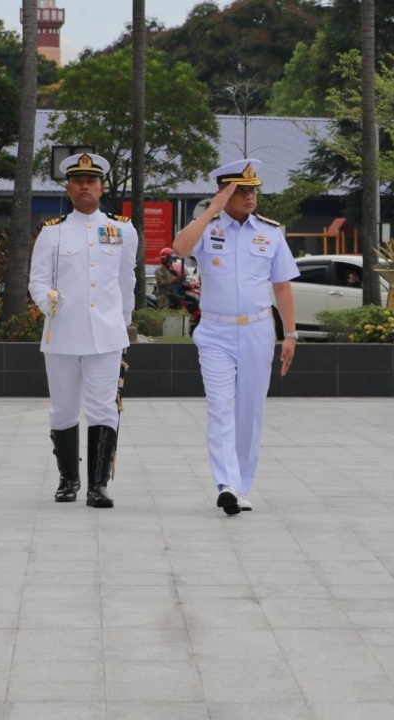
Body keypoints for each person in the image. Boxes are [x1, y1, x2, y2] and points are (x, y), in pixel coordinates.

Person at [171, 159, 299, 515]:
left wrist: (290, 334)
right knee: (220, 407)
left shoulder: (270, 232)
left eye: (253, 189)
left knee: (250, 411)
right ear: (223, 192)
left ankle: (241, 484)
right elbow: (179, 248)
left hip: (258, 329)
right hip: (215, 332)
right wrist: (211, 208)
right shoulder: (208, 227)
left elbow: (283, 286)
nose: (249, 196)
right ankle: (226, 483)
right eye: (240, 190)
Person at [28, 152, 138, 509]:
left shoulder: (122, 229)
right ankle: (68, 480)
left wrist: (124, 324)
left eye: (91, 181)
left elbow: (127, 281)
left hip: (106, 334)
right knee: (63, 409)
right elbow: (37, 280)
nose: (85, 186)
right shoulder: (52, 231)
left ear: (102, 187)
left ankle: (98, 486)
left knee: (103, 408)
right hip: (62, 333)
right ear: (68, 187)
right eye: (78, 181)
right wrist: (47, 302)